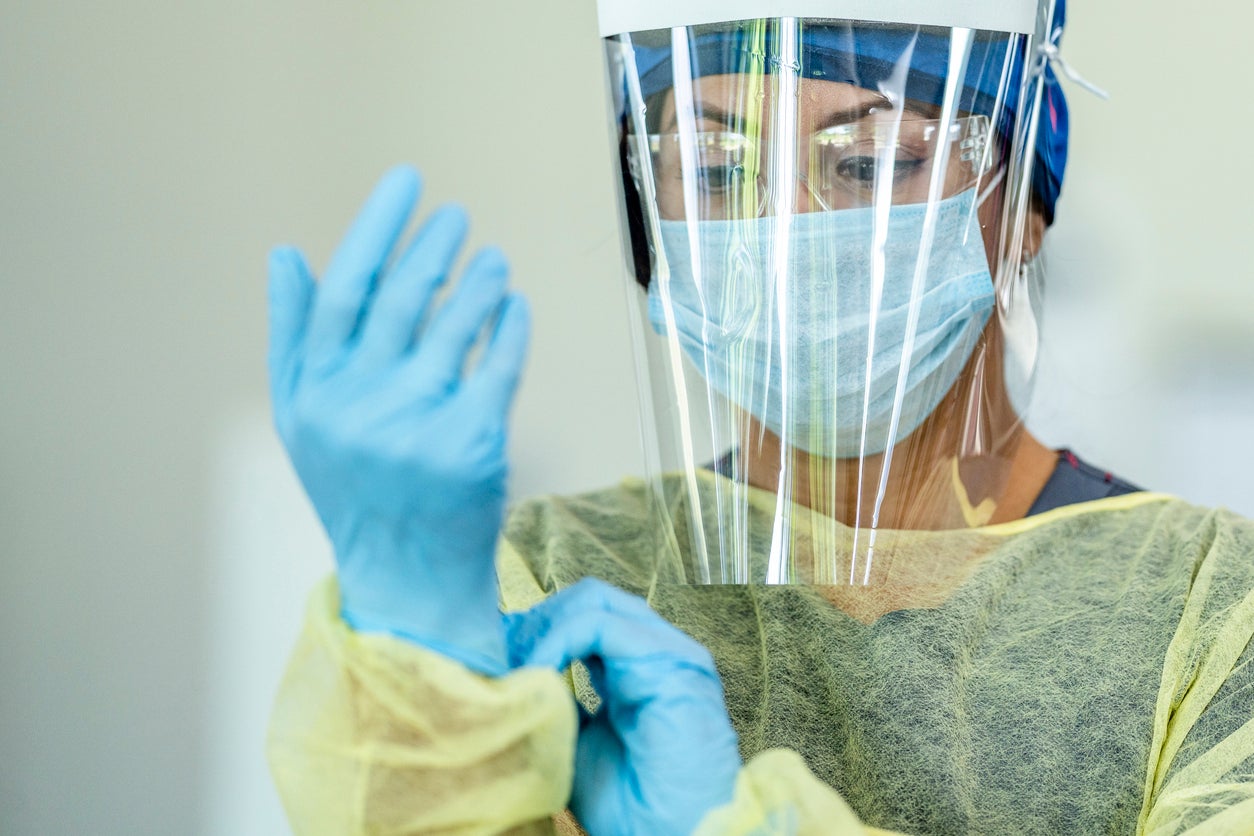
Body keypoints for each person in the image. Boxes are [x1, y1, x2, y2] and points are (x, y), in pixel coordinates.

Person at [265, 2, 1254, 833]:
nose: (781, 234)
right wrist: (417, 653)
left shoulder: (1212, 618)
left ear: (1023, 198)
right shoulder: (543, 582)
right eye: (711, 165)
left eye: (871, 162)